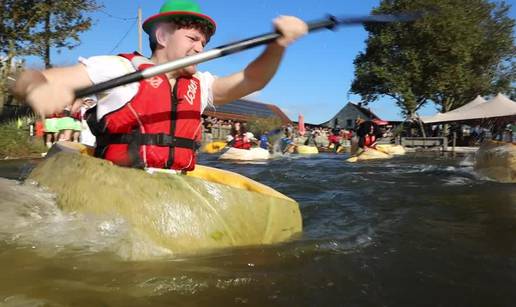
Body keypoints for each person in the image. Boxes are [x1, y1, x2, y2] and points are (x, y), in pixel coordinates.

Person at [11, 0, 307, 171]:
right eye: (193, 39)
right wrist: (38, 86)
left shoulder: (200, 85)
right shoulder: (120, 69)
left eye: (204, 43)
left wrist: (279, 45)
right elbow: (43, 79)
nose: (200, 48)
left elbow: (253, 79)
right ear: (163, 36)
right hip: (116, 188)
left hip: (174, 191)